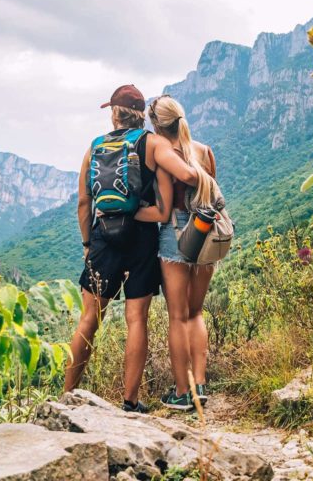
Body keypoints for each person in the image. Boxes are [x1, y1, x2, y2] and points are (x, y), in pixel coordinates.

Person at [63, 85, 201, 413]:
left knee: (88, 320)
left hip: (102, 238)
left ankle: (66, 396)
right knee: (136, 318)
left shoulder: (94, 147)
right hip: (141, 237)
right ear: (142, 114)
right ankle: (129, 402)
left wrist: (87, 243)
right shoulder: (152, 143)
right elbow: (165, 209)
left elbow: (84, 202)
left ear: (114, 112)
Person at [148, 95, 217, 411]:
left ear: (156, 124)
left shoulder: (165, 156)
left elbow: (163, 208)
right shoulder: (204, 152)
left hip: (175, 233)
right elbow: (211, 193)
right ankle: (200, 385)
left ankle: (181, 391)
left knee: (177, 316)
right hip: (206, 233)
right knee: (195, 312)